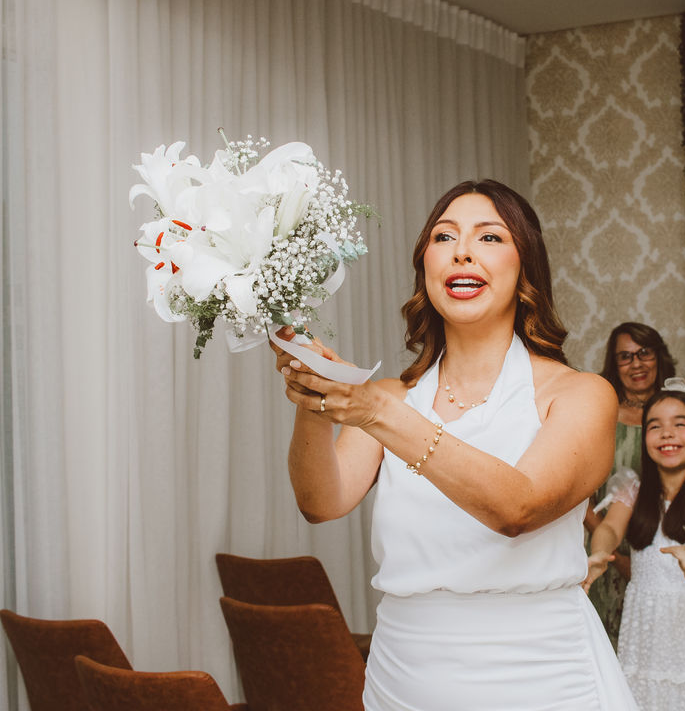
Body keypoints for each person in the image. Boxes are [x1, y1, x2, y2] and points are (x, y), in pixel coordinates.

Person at [272, 180, 638, 711]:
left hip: (539, 679)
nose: (462, 250)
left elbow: (519, 506)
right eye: (445, 237)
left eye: (489, 238)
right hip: (404, 677)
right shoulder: (392, 396)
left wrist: (374, 412)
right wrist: (315, 397)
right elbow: (320, 503)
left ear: (525, 268)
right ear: (426, 266)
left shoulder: (580, 395)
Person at [584, 379, 685, 711]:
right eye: (655, 426)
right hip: (647, 623)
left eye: (680, 424)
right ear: (645, 438)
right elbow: (611, 528)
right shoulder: (631, 488)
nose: (667, 433)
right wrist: (600, 552)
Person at [586, 322, 679, 648]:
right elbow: (580, 493)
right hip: (606, 545)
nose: (637, 364)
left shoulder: (681, 412)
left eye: (644, 353)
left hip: (664, 547)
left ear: (659, 356)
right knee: (609, 643)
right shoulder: (600, 413)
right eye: (625, 357)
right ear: (614, 363)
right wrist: (613, 553)